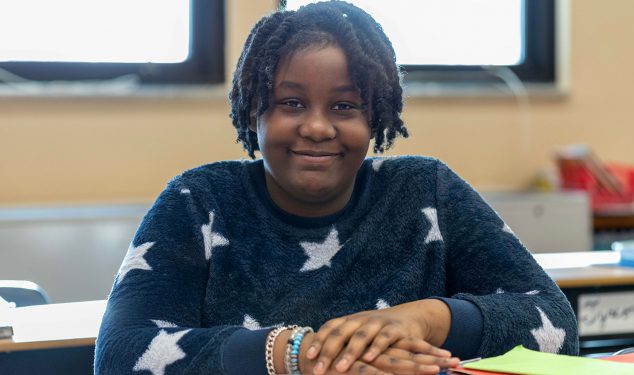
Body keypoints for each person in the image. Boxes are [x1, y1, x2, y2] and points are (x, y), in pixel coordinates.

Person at [94, 1, 579, 374]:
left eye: (345, 107)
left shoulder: (427, 190)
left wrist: (423, 320)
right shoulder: (198, 202)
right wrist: (304, 356)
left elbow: (555, 324)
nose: (318, 128)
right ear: (252, 111)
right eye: (291, 103)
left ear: (378, 116)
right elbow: (121, 354)